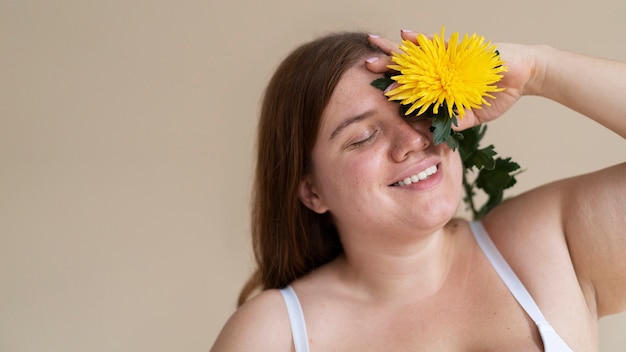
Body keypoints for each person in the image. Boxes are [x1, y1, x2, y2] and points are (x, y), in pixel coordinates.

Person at [211, 29, 626, 351]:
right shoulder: (272, 335)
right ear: (311, 191)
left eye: (417, 110)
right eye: (363, 137)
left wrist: (540, 70)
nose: (414, 140)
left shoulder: (549, 241)